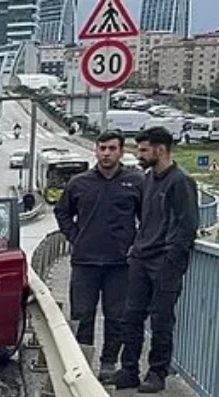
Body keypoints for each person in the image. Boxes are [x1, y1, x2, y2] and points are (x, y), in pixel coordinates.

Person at [53, 130, 144, 383]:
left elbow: (147, 218)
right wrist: (75, 237)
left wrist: (135, 244)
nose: (106, 153)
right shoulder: (79, 183)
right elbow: (62, 212)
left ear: (121, 151)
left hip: (120, 264)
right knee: (82, 315)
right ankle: (82, 364)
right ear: (96, 150)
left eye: (112, 148)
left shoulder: (136, 182)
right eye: (102, 148)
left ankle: (108, 363)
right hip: (85, 262)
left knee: (117, 317)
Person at [114, 126, 200, 393]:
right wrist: (136, 248)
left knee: (161, 319)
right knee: (131, 316)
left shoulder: (181, 181)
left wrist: (172, 258)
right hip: (141, 257)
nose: (139, 155)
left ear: (160, 149)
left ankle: (157, 372)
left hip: (165, 260)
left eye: (143, 150)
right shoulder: (148, 178)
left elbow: (187, 225)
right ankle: (129, 370)